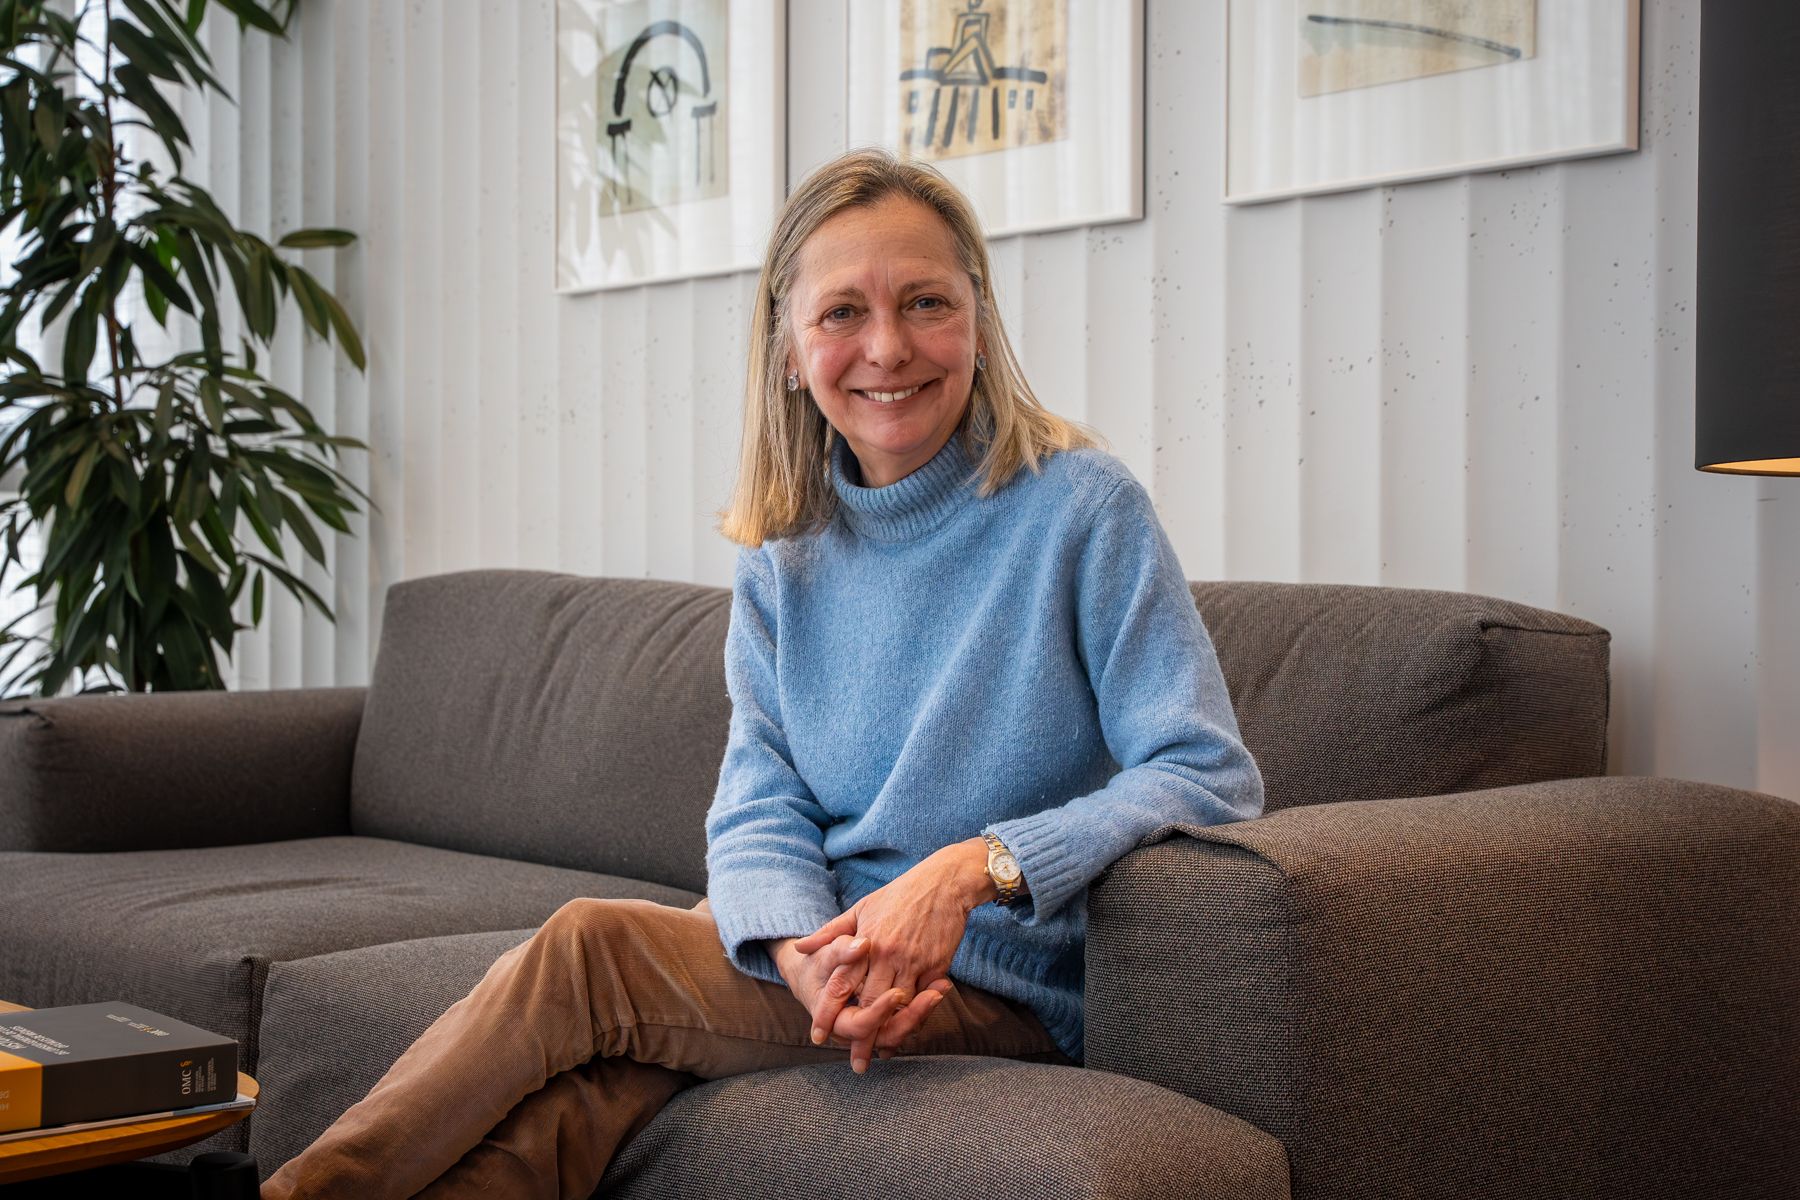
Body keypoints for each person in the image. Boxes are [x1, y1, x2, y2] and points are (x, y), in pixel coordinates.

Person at [262, 147, 1264, 1200]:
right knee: (585, 1098)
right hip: (821, 962)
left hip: (987, 986)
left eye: (926, 302)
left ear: (978, 320)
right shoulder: (784, 555)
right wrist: (791, 952)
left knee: (588, 952)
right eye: (842, 314)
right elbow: (759, 801)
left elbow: (1206, 772)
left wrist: (976, 868)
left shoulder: (1081, 509)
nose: (887, 347)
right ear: (790, 348)